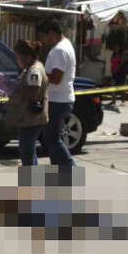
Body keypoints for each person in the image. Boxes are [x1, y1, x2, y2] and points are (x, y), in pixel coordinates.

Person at [36, 18, 77, 168]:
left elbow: (57, 78)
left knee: (52, 138)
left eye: (43, 37)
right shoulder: (63, 46)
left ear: (51, 33)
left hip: (58, 101)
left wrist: (39, 76)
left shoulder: (60, 50)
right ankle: (60, 173)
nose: (42, 41)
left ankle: (70, 168)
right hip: (58, 99)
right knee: (51, 138)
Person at [7, 40, 49, 166]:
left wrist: (14, 90)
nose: (17, 60)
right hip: (29, 118)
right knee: (30, 153)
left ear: (27, 56)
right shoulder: (31, 68)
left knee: (27, 155)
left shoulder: (34, 71)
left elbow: (33, 93)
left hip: (31, 118)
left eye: (18, 57)